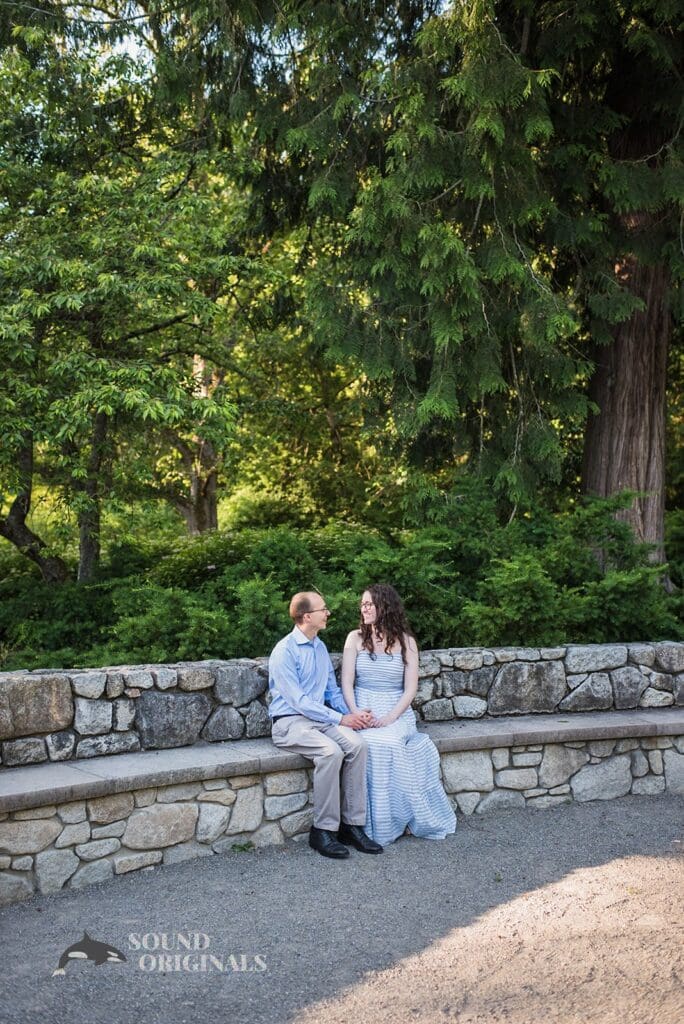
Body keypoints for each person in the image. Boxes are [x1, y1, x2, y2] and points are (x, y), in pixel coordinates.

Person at [268, 591, 383, 859]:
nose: (328, 613)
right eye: (323, 609)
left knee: (357, 745)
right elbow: (298, 701)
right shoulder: (284, 651)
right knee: (330, 752)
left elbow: (331, 691)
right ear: (307, 616)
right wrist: (341, 719)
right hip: (289, 723)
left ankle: (352, 826)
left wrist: (352, 717)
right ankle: (322, 831)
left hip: (319, 719)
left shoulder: (319, 646)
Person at [341, 584, 457, 847]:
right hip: (363, 705)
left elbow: (411, 688)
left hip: (396, 709)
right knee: (367, 744)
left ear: (385, 606)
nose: (364, 608)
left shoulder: (407, 642)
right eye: (362, 604)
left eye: (370, 603)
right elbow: (347, 682)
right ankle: (365, 825)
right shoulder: (354, 639)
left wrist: (391, 717)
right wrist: (356, 711)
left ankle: (392, 821)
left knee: (390, 743)